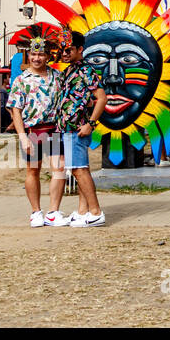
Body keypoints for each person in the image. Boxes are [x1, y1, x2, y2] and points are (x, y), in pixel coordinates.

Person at [6, 36, 66, 227]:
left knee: (59, 169)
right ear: (28, 55)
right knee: (33, 171)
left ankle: (53, 211)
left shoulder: (57, 76)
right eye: (33, 54)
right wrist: (22, 136)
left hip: (54, 129)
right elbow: (15, 109)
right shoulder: (21, 80)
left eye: (41, 54)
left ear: (47, 56)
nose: (37, 58)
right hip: (32, 130)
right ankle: (35, 212)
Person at [55, 30, 109, 228]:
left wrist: (91, 123)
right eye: (62, 50)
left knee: (79, 170)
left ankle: (95, 211)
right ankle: (82, 211)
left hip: (78, 127)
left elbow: (102, 98)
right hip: (67, 128)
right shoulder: (69, 70)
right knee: (78, 169)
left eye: (69, 49)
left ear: (80, 49)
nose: (65, 53)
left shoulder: (86, 71)